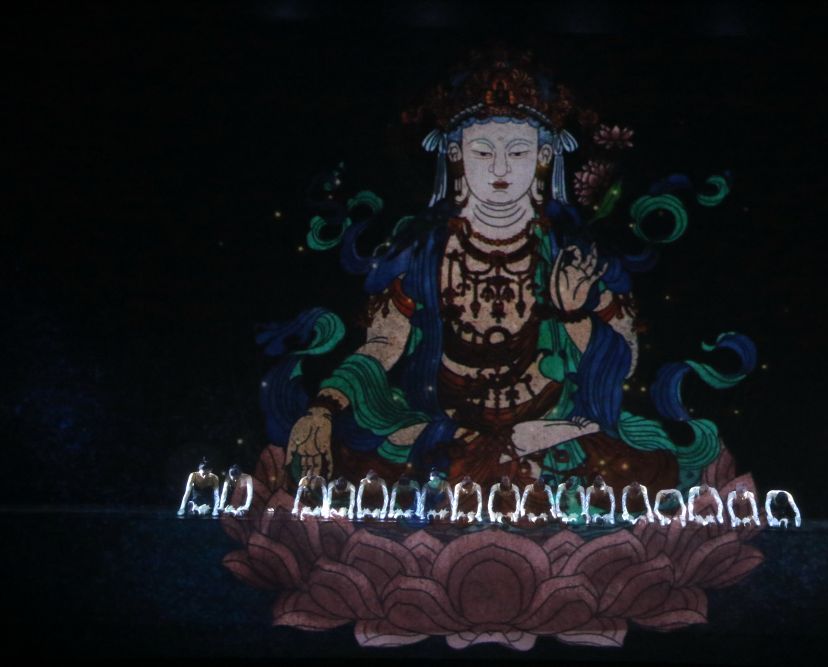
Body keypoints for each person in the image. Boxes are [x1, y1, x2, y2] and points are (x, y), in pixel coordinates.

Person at [281, 51, 683, 496]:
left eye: (518, 151)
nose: (500, 169)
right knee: (358, 466)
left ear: (544, 155)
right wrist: (323, 407)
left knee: (649, 471)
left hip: (551, 430)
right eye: (482, 151)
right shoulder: (422, 252)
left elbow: (625, 359)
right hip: (448, 430)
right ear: (455, 155)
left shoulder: (573, 252)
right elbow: (383, 345)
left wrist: (574, 316)